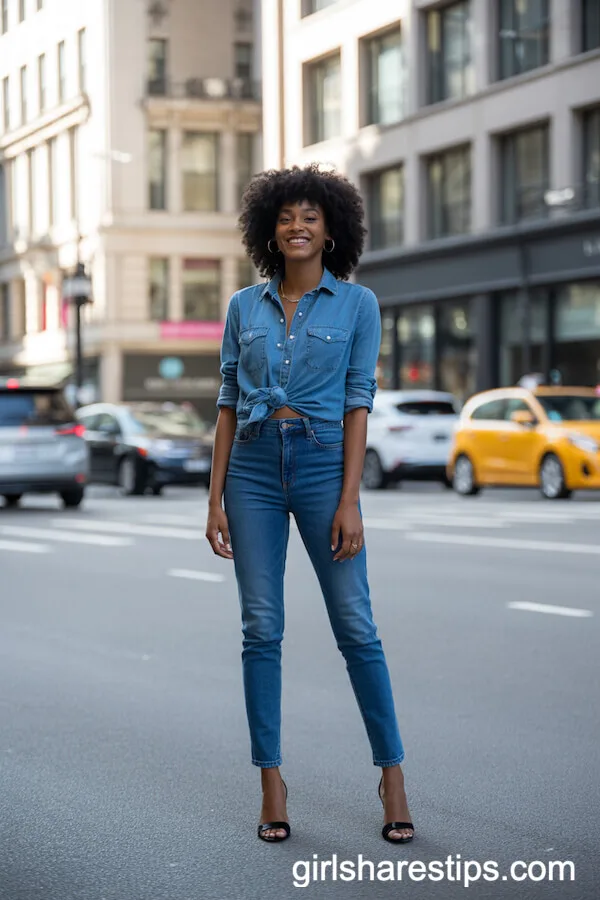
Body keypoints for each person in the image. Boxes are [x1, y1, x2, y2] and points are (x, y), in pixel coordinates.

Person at [205, 163, 414, 845]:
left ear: (332, 230)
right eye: (286, 216)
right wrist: (215, 498)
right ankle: (271, 780)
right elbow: (229, 406)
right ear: (270, 229)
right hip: (255, 469)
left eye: (311, 217)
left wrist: (351, 499)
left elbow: (359, 405)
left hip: (326, 465)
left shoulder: (358, 305)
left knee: (356, 625)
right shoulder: (243, 307)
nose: (297, 226)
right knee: (261, 627)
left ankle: (392, 777)